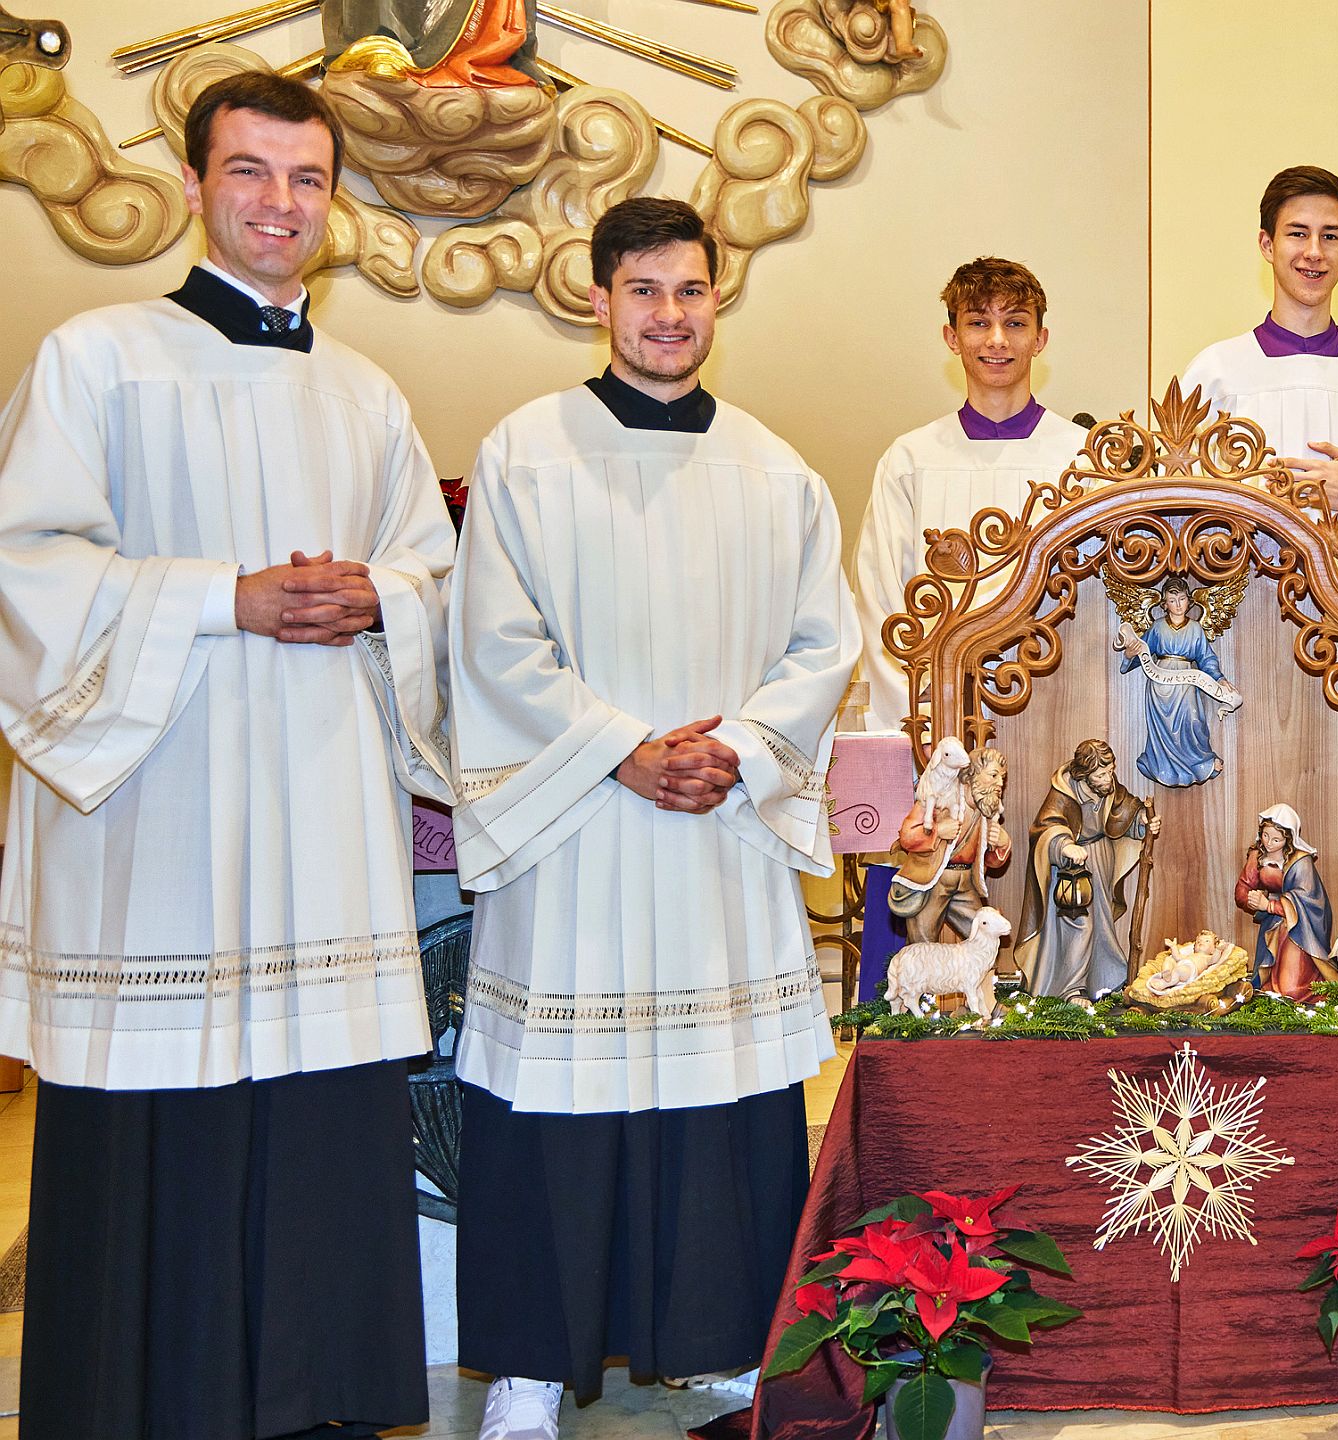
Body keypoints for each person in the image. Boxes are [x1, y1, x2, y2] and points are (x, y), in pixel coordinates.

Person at [0, 72, 454, 1440]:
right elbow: (28, 563)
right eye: (250, 173)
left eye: (307, 179)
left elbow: (432, 571)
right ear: (195, 184)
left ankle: (315, 1404)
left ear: (335, 205)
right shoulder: (98, 357)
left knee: (319, 1128)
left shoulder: (367, 392)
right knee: (159, 1129)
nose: (279, 203)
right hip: (161, 827)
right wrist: (222, 597)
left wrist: (383, 599)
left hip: (321, 828)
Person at [446, 197, 860, 1438]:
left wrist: (730, 750)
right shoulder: (526, 452)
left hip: (713, 828)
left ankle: (724, 1341)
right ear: (598, 297)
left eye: (691, 292)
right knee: (553, 1104)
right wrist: (623, 749)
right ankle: (530, 1365)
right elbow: (493, 642)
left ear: (718, 300)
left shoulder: (776, 469)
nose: (669, 315)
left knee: (718, 1098)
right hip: (577, 826)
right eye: (645, 291)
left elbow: (821, 644)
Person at [853, 256, 1088, 733]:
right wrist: (924, 719)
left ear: (1040, 339)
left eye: (1015, 323)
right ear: (952, 337)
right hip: (935, 710)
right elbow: (880, 601)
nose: (997, 340)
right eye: (979, 322)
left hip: (1059, 705)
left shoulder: (1081, 458)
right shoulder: (911, 460)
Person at [1181, 164, 1338, 522]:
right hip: (1240, 577)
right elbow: (1173, 496)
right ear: (1267, 244)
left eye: (1330, 236)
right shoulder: (1215, 375)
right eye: (1298, 234)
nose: (1314, 252)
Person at [1013, 739, 1160, 999]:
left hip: (1100, 859)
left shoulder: (1108, 786)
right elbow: (1045, 826)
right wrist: (1064, 845)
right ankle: (1071, 989)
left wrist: (1143, 822)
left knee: (1102, 924)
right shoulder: (1064, 791)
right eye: (1101, 774)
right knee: (1079, 926)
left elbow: (1124, 811)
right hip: (1072, 868)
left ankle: (1106, 982)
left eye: (1110, 771)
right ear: (1084, 775)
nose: (1108, 778)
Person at [1116, 575, 1239, 787]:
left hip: (1185, 680)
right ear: (1164, 604)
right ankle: (1159, 764)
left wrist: (1219, 678)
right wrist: (1129, 655)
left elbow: (1206, 657)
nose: (1178, 605)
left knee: (1193, 720)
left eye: (1181, 599)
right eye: (1172, 600)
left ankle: (1201, 763)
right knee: (1162, 728)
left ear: (1188, 601)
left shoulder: (1195, 629)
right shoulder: (1157, 628)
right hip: (1160, 680)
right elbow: (1142, 652)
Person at [887, 742, 1012, 945]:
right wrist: (937, 831)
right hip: (933, 882)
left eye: (1002, 778)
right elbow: (907, 836)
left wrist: (1002, 844)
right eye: (993, 775)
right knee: (923, 945)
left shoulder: (987, 812)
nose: (999, 784)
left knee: (985, 936)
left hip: (965, 883)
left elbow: (992, 862)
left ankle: (980, 976)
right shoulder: (941, 796)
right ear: (971, 774)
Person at [1233, 804, 1334, 1000]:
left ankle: (1312, 980)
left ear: (1288, 839)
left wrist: (1268, 905)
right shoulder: (1258, 855)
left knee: (1291, 989)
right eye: (1265, 836)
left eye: (1276, 839)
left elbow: (1307, 900)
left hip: (1300, 929)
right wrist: (1251, 900)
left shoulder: (1300, 862)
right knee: (1270, 985)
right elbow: (1242, 887)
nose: (1269, 843)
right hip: (1272, 924)